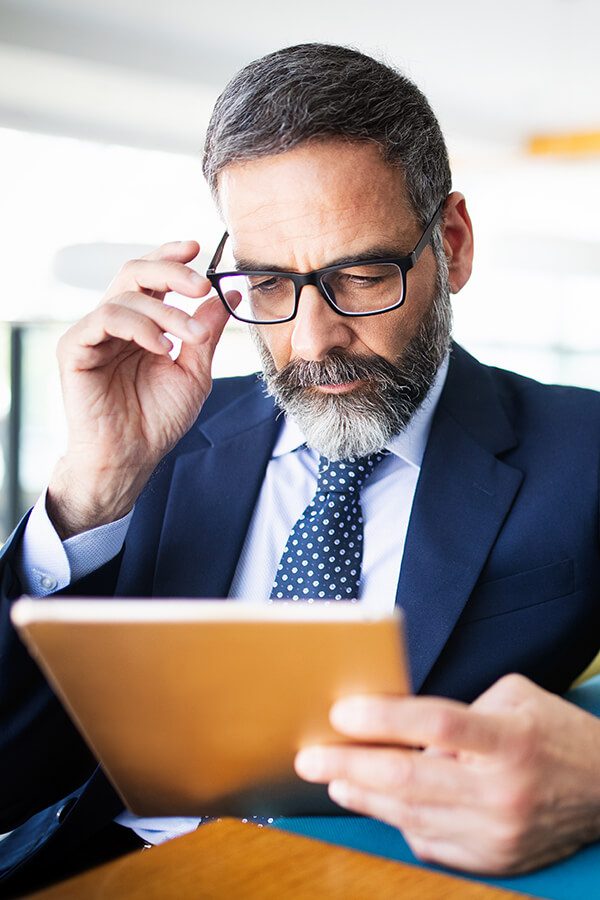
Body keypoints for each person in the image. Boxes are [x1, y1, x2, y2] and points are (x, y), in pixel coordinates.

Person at [1, 42, 599, 892]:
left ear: (453, 245)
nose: (312, 341)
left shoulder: (581, 448)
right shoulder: (159, 431)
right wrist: (91, 492)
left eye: (360, 275)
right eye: (267, 284)